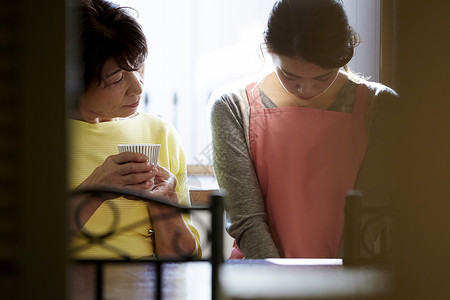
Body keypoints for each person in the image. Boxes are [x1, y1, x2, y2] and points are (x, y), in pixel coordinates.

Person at [209, 0, 400, 259]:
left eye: (323, 77)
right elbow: (247, 220)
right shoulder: (232, 106)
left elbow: (368, 214)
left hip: (352, 278)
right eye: (290, 76)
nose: (306, 89)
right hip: (261, 278)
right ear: (269, 49)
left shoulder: (380, 106)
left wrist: (342, 282)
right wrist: (280, 284)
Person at [68, 0, 200, 260]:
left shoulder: (161, 134)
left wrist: (165, 207)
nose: (138, 87)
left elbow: (185, 262)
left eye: (138, 65)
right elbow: (29, 254)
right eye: (117, 78)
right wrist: (95, 191)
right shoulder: (37, 137)